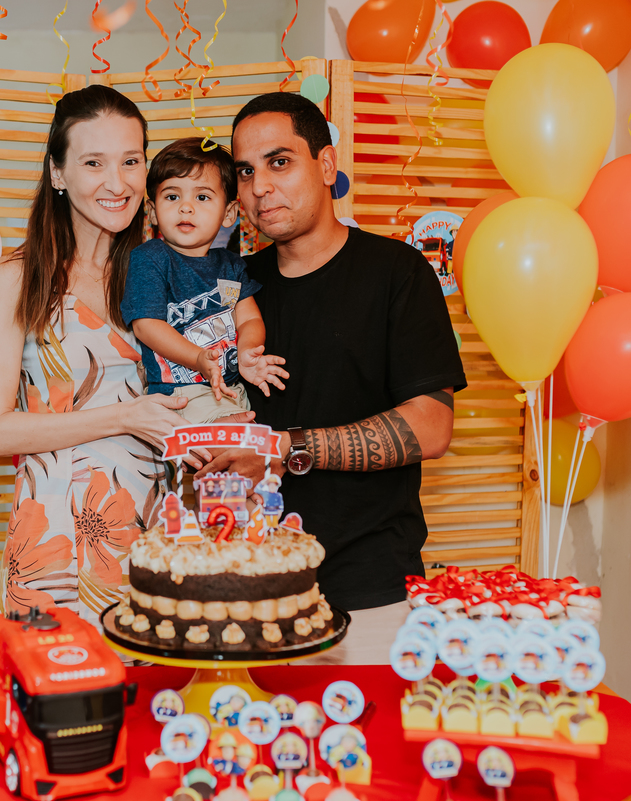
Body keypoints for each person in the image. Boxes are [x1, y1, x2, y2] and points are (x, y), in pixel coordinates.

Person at [200, 92, 466, 663]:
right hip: (246, 592)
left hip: (369, 597)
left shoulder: (398, 274)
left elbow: (431, 427)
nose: (260, 187)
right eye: (245, 172)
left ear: (325, 166)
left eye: (280, 162)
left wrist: (285, 449)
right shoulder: (232, 287)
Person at [0, 85, 230, 626]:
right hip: (56, 535)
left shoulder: (166, 272)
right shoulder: (18, 278)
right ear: (58, 173)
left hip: (163, 526)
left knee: (163, 701)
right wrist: (123, 416)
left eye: (131, 161)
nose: (119, 183)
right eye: (94, 162)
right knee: (62, 694)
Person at [121, 137, 288, 423]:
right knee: (235, 443)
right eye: (172, 197)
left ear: (229, 214)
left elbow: (248, 319)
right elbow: (147, 325)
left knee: (253, 449)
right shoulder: (151, 258)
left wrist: (248, 351)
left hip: (230, 387)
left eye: (202, 197)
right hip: (181, 393)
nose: (186, 207)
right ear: (151, 211)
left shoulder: (230, 266)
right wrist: (197, 358)